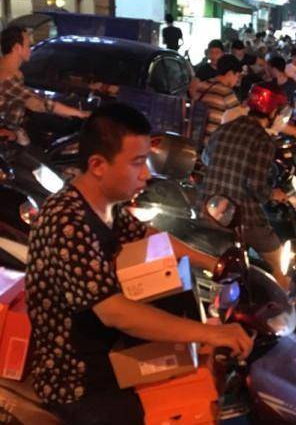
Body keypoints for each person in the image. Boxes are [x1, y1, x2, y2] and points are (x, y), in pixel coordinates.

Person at [26, 103, 253, 424]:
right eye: (137, 163)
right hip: (78, 380)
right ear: (98, 165)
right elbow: (114, 311)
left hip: (114, 353)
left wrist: (215, 264)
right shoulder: (67, 220)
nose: (146, 174)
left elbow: (151, 239)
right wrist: (208, 334)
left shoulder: (105, 206)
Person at [199, 82, 291, 290]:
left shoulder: (224, 129)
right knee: (278, 263)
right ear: (273, 112)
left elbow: (206, 159)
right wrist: (273, 194)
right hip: (241, 217)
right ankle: (286, 302)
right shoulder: (263, 140)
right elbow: (256, 187)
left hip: (208, 208)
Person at [0, 26, 88, 145]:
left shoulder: (13, 72)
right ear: (17, 48)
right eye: (28, 45)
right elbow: (38, 103)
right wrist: (80, 113)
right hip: (6, 140)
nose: (30, 49)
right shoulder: (6, 77)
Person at [190, 54, 243, 142]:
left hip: (195, 138)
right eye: (237, 76)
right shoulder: (226, 92)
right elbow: (239, 119)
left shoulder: (201, 86)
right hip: (212, 142)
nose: (237, 80)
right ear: (230, 73)